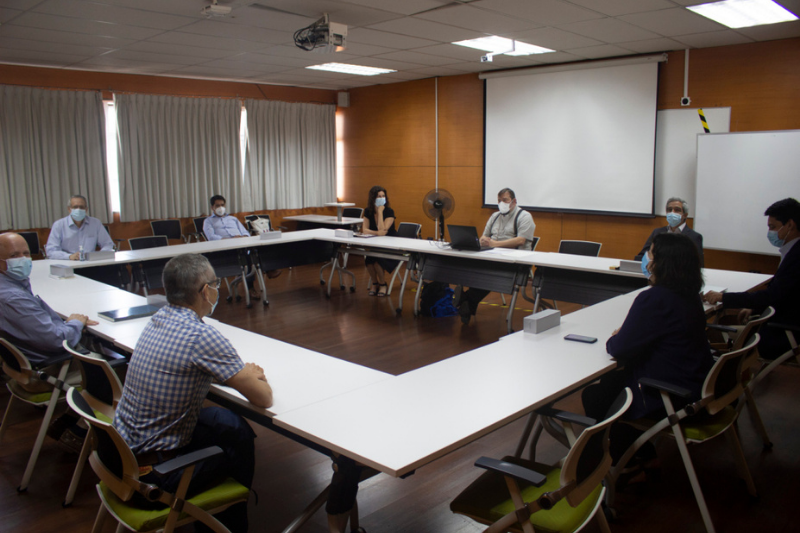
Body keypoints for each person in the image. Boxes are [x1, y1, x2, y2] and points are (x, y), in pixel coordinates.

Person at [114, 253, 273, 533]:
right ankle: (228, 521)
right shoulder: (201, 336)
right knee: (237, 447)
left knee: (230, 424)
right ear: (204, 291)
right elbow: (263, 398)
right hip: (153, 479)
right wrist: (253, 375)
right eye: (215, 283)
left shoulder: (158, 319)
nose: (217, 288)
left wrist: (233, 373)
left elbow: (192, 367)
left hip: (121, 455)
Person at [582, 232, 712, 466]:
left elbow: (618, 348)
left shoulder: (653, 299)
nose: (646, 258)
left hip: (669, 395)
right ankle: (630, 450)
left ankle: (608, 463)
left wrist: (620, 335)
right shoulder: (691, 295)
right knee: (610, 384)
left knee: (596, 394)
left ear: (662, 262)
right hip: (696, 386)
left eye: (650, 253)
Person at [704, 197, 800, 360]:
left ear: (790, 225)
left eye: (773, 227)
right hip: (782, 320)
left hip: (783, 330)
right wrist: (754, 308)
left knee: (715, 329)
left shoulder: (797, 256)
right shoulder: (792, 251)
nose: (770, 232)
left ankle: (726, 374)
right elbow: (780, 292)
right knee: (723, 323)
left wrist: (723, 297)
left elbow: (773, 295)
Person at [0, 232, 97, 370]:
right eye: (14, 255)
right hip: (53, 366)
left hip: (30, 359)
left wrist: (68, 324)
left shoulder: (12, 286)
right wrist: (75, 323)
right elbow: (57, 341)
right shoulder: (13, 298)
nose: (22, 259)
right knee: (120, 367)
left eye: (26, 254)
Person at [455, 188, 535, 324]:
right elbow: (484, 235)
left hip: (516, 261)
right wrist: (482, 240)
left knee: (490, 273)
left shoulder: (524, 216)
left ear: (514, 201)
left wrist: (495, 243)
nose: (501, 203)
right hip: (494, 256)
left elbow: (521, 240)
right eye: (499, 201)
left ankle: (466, 299)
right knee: (474, 267)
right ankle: (467, 302)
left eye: (505, 200)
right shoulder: (495, 216)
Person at [203, 194, 280, 297]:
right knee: (247, 257)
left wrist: (242, 237)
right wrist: (230, 239)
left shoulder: (232, 219)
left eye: (222, 205)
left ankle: (270, 268)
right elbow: (211, 237)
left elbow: (245, 232)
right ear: (212, 207)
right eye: (217, 205)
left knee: (259, 247)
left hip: (240, 243)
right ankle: (251, 287)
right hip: (225, 247)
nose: (220, 207)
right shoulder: (208, 221)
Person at [635, 197, 704, 267]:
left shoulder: (694, 237)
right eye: (669, 210)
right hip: (658, 273)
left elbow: (698, 265)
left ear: (685, 215)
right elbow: (642, 256)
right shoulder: (657, 232)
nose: (672, 212)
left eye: (677, 210)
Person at [45, 194, 114, 260]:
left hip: (90, 263)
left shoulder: (95, 223)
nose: (78, 209)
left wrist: (99, 255)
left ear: (86, 209)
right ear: (69, 209)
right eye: (75, 207)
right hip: (68, 262)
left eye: (81, 207)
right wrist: (69, 256)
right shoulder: (59, 225)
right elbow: (51, 251)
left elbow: (108, 244)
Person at [361, 186, 398, 297]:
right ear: (373, 199)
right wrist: (377, 233)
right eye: (379, 196)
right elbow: (364, 230)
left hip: (391, 244)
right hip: (376, 242)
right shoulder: (368, 211)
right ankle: (375, 283)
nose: (382, 198)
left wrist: (380, 212)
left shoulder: (389, 211)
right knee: (369, 261)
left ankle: (382, 284)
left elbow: (382, 231)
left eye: (383, 196)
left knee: (377, 261)